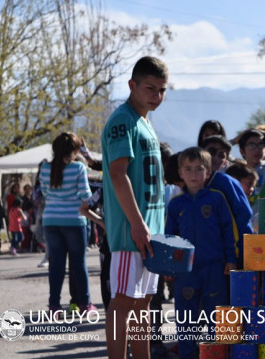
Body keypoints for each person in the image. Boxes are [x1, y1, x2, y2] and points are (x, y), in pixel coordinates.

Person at [101, 56, 168, 359]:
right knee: (123, 302)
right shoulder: (122, 121)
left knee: (144, 303)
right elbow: (117, 173)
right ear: (132, 85)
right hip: (132, 232)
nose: (156, 96)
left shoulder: (145, 122)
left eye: (162, 90)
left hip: (152, 231)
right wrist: (137, 223)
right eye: (150, 89)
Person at [164, 147, 238, 358]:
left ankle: (219, 355)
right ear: (180, 173)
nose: (194, 174)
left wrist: (231, 259)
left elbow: (228, 231)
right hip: (185, 271)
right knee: (186, 319)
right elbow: (170, 238)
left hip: (215, 268)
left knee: (217, 318)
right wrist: (169, 266)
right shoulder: (176, 204)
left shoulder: (217, 199)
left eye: (199, 169)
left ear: (208, 172)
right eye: (188, 169)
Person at [40, 132, 95, 316]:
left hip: (50, 220)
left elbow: (45, 193)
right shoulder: (78, 168)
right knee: (78, 265)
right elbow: (85, 196)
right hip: (74, 220)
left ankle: (54, 305)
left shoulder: (45, 168)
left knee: (56, 265)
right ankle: (85, 305)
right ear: (74, 151)